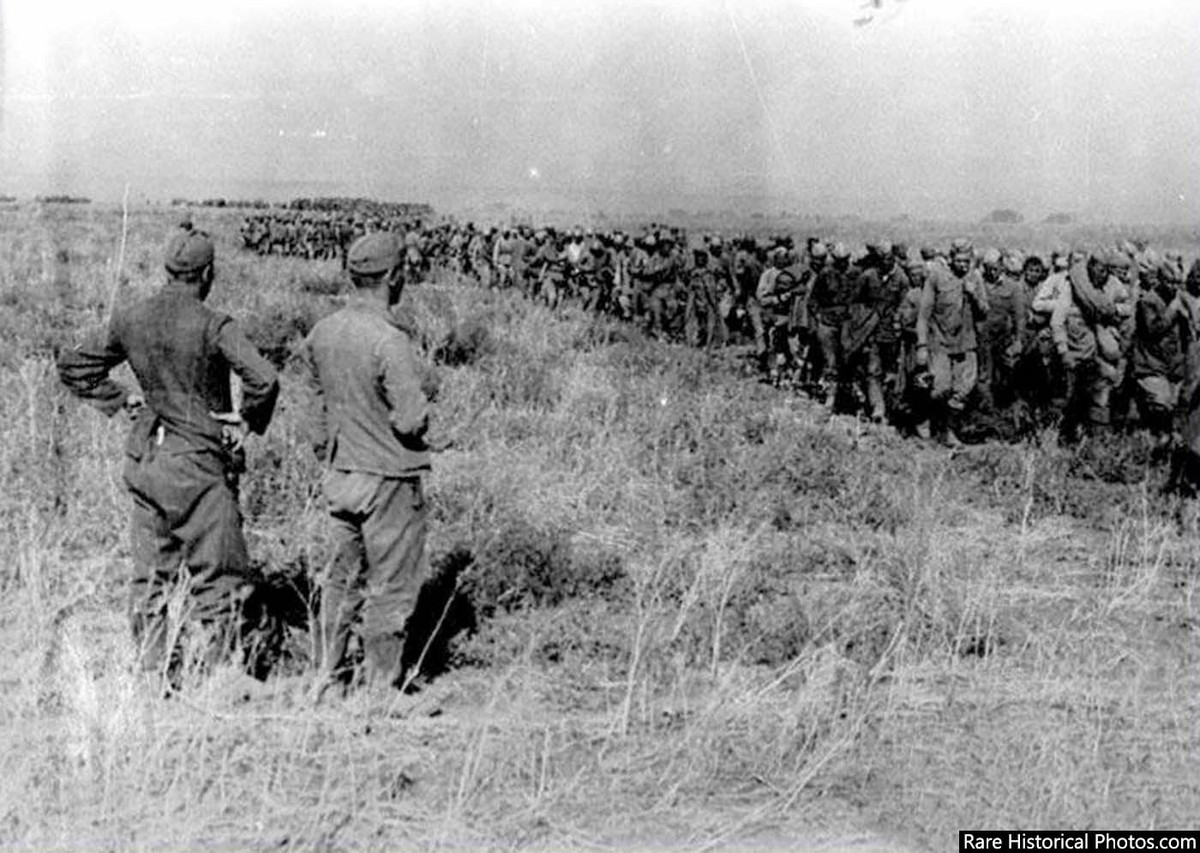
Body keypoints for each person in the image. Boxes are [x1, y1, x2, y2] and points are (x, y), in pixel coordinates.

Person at [58, 229, 279, 686]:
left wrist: (121, 399)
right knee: (219, 575)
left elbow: (73, 364)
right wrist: (246, 421)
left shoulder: (131, 317)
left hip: (147, 459)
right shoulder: (215, 324)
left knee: (151, 576)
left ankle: (152, 674)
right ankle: (221, 680)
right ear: (207, 273)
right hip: (198, 463)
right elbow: (264, 379)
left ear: (167, 270)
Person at [304, 232, 443, 695]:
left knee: (339, 580)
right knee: (391, 585)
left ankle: (326, 677)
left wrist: (330, 452)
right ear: (393, 276)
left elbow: (314, 409)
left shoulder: (323, 331)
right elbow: (410, 419)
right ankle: (380, 689)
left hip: (341, 474)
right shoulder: (389, 339)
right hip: (388, 479)